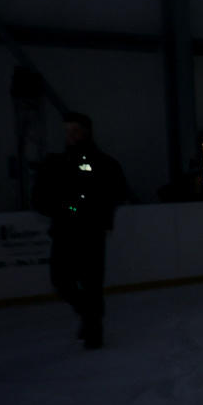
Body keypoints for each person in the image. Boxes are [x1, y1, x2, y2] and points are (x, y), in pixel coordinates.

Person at [33, 111, 127, 350]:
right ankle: (89, 314)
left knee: (91, 281)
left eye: (75, 130)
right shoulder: (56, 163)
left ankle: (93, 329)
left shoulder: (103, 163)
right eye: (68, 131)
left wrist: (90, 211)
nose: (71, 135)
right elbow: (40, 198)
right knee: (61, 280)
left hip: (91, 232)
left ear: (86, 132)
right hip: (65, 230)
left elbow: (115, 193)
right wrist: (65, 207)